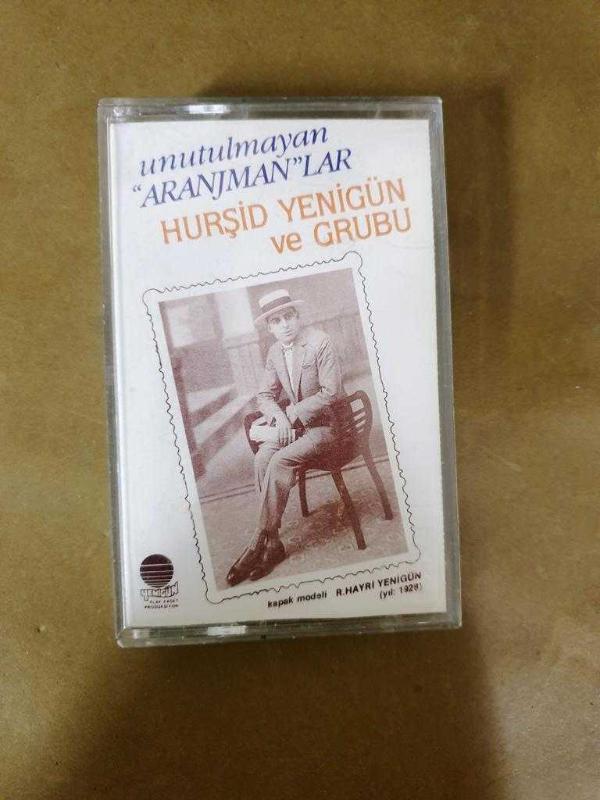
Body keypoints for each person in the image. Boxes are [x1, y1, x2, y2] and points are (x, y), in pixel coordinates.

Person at [226, 287, 345, 585]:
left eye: (289, 316)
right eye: (276, 321)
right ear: (269, 327)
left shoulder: (320, 342)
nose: (285, 325)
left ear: (297, 316)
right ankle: (274, 543)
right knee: (262, 459)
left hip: (327, 428)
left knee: (279, 461)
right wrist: (280, 416)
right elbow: (264, 396)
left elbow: (332, 393)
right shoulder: (275, 352)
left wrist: (294, 412)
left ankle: (257, 542)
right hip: (296, 430)